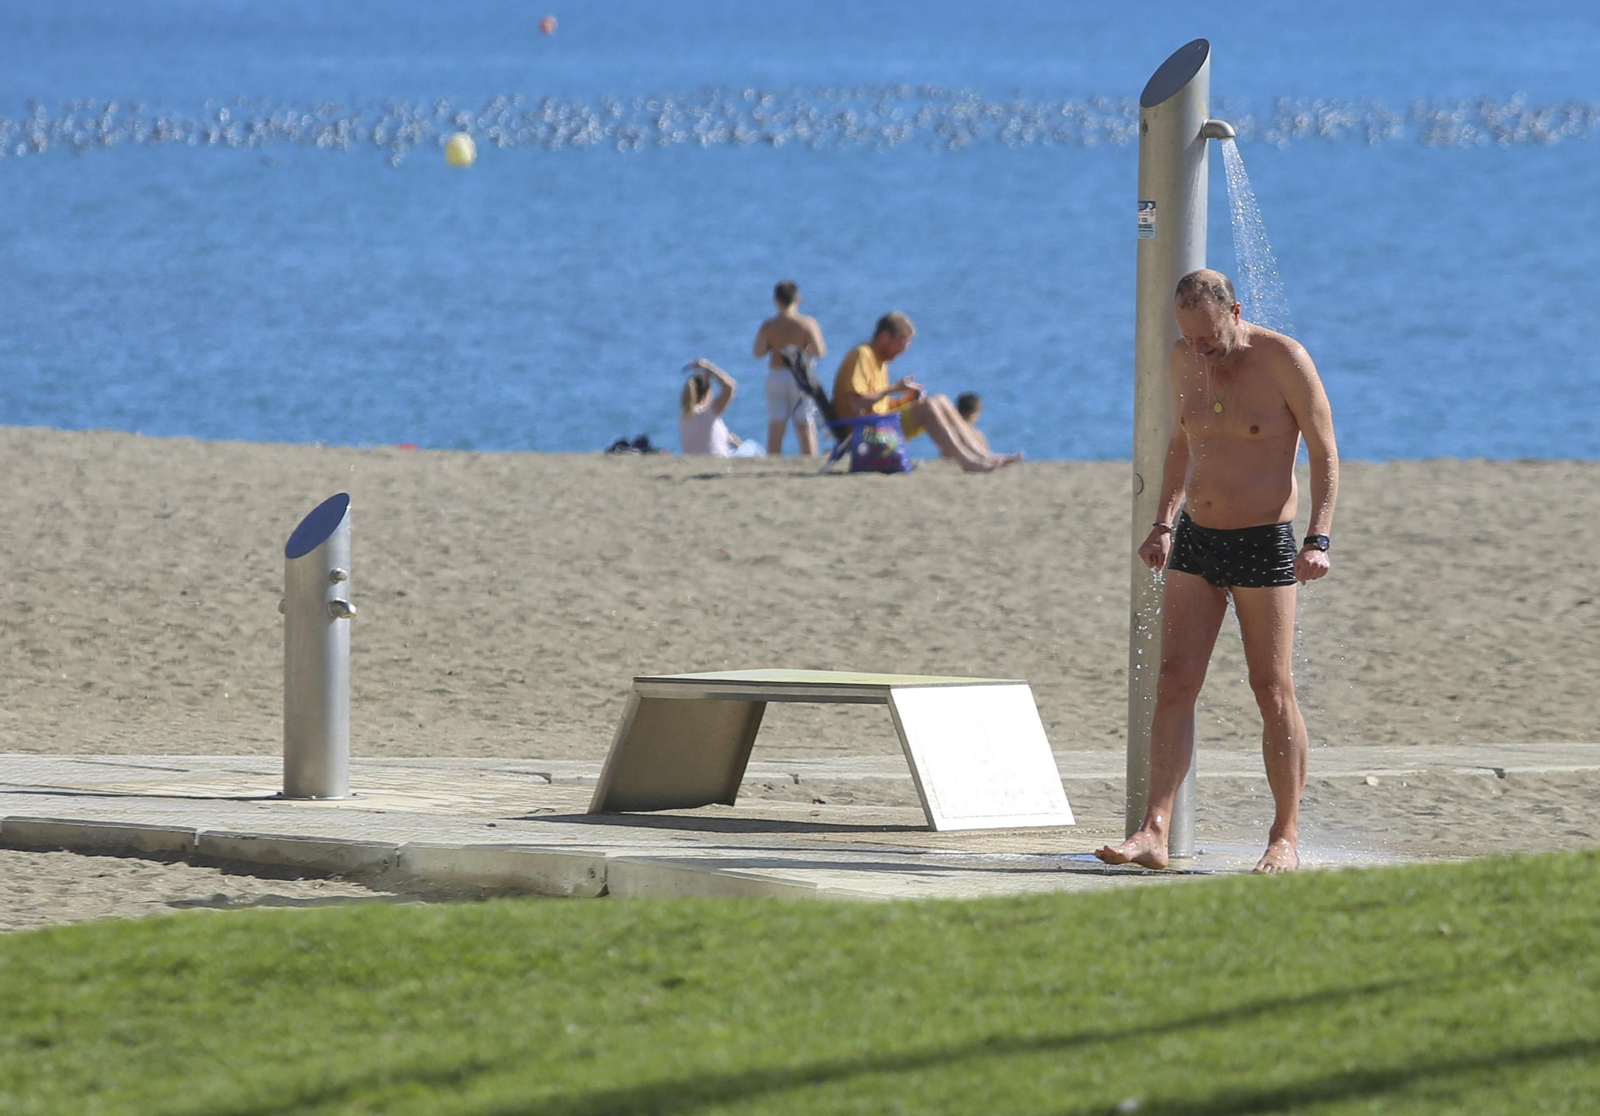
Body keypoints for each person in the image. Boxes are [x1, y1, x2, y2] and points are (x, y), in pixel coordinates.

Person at [1096, 268, 1339, 875]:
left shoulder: (1284, 359)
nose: (1199, 348)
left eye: (1207, 336)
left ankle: (1284, 837)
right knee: (1174, 682)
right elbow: (1183, 442)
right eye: (1189, 337)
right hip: (1197, 538)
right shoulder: (1185, 359)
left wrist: (1318, 538)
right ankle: (1153, 830)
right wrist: (1163, 522)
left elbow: (1324, 451)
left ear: (1234, 310)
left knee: (1270, 688)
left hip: (1264, 541)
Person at [831, 313, 1021, 473]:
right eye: (901, 343)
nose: (903, 351)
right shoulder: (862, 355)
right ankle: (966, 461)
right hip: (864, 432)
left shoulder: (880, 361)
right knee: (929, 407)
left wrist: (905, 401)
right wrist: (894, 389)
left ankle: (983, 454)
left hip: (878, 424)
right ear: (884, 337)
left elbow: (878, 404)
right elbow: (856, 403)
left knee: (940, 399)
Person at [752, 280, 827, 457]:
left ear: (776, 300)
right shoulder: (807, 323)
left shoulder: (769, 326)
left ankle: (773, 462)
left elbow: (758, 352)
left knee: (776, 426)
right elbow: (820, 351)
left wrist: (775, 346)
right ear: (797, 299)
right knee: (805, 425)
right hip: (800, 376)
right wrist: (803, 350)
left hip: (776, 375)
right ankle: (810, 462)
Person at [678, 359, 743, 457]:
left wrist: (726, 440)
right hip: (717, 461)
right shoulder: (707, 414)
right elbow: (730, 387)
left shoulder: (684, 417)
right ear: (707, 393)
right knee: (752, 448)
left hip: (694, 462)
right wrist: (709, 367)